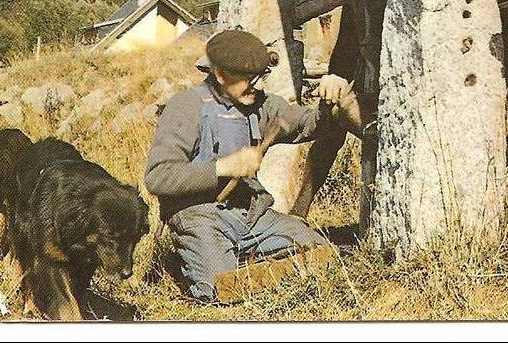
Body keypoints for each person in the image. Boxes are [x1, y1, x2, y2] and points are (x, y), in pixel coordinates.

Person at [144, 29, 360, 302]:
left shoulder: (262, 105)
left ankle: (245, 261)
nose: (257, 86)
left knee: (322, 255)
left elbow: (308, 124)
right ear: (220, 75)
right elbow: (158, 177)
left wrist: (329, 103)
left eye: (261, 78)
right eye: (248, 79)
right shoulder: (186, 107)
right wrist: (222, 167)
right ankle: (216, 261)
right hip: (200, 216)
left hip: (251, 214)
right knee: (221, 288)